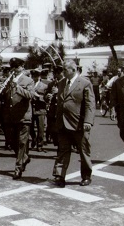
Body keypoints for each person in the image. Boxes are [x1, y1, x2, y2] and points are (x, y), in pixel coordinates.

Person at [49, 60, 96, 188]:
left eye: (65, 70)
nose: (63, 72)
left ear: (73, 70)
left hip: (79, 124)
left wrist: (88, 121)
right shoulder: (61, 83)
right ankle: (59, 176)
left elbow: (90, 104)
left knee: (83, 150)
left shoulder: (85, 83)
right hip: (63, 123)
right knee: (63, 150)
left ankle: (86, 176)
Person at [1, 57, 34, 180]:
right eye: (13, 68)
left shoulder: (28, 80)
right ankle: (24, 158)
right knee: (11, 141)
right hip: (10, 116)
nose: (14, 70)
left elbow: (30, 95)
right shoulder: (8, 80)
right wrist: (4, 87)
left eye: (17, 67)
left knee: (21, 143)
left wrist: (17, 87)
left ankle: (18, 168)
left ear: (22, 67)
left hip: (23, 116)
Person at [30, 68, 48, 152]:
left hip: (40, 109)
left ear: (39, 76)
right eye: (33, 75)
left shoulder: (44, 86)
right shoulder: (29, 85)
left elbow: (47, 99)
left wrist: (38, 97)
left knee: (40, 128)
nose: (34, 77)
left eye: (36, 75)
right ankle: (33, 138)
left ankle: (40, 144)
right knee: (30, 127)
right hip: (30, 109)